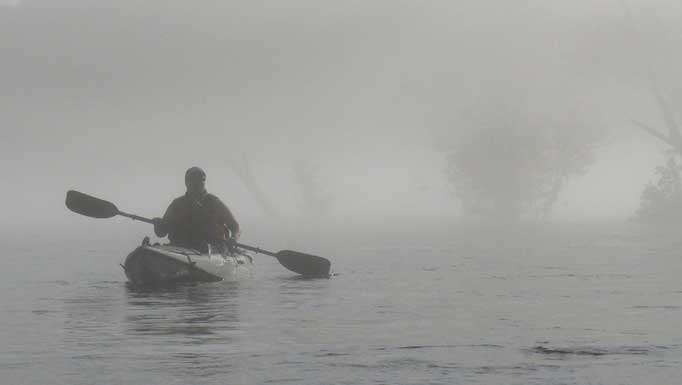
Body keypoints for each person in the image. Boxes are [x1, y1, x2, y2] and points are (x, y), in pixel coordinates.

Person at [153, 167, 240, 253]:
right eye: (193, 179)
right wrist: (158, 224)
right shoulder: (177, 204)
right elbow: (162, 232)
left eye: (201, 180)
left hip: (211, 250)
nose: (197, 183)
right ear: (186, 183)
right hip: (179, 248)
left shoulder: (214, 203)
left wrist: (233, 239)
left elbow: (235, 227)